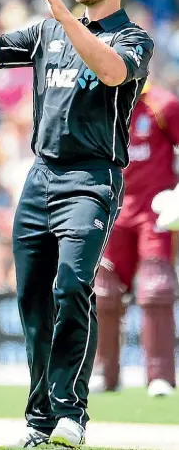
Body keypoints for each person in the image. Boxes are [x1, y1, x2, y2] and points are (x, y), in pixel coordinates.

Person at [0, 0, 154, 447]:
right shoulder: (49, 31)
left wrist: (67, 19)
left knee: (71, 287)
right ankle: (39, 419)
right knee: (31, 299)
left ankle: (72, 413)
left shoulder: (133, 39)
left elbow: (111, 71)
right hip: (41, 176)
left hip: (92, 179)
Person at [93, 83, 179, 397]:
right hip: (115, 208)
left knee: (156, 286)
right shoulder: (103, 102)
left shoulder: (163, 104)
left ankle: (159, 376)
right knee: (105, 291)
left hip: (154, 211)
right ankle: (106, 374)